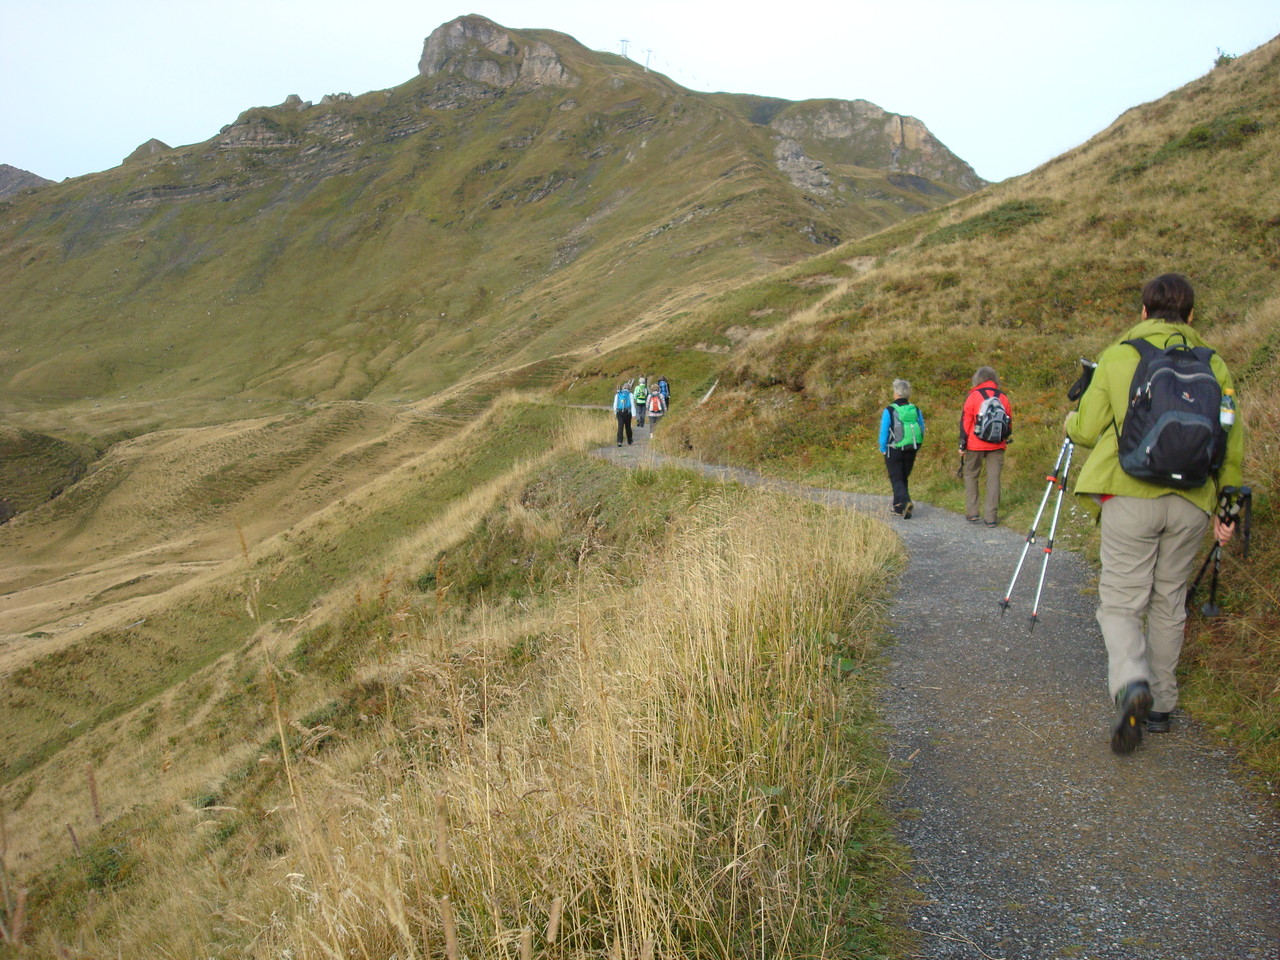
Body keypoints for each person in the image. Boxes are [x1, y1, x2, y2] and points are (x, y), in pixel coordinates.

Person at [1065, 273, 1244, 754]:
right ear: (1191, 317)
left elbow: (1084, 431)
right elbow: (1230, 445)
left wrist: (1071, 411)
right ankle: (1162, 705)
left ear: (1143, 312)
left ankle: (1131, 684)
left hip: (1129, 495)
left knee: (1122, 603)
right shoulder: (1215, 366)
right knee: (1169, 600)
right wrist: (1228, 509)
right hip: (1192, 502)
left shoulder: (1121, 355)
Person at [958, 366, 1012, 526]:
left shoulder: (973, 396)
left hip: (975, 443)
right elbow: (1008, 422)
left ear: (978, 379)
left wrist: (962, 443)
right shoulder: (1003, 397)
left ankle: (973, 512)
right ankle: (991, 517)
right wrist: (1004, 438)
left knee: (971, 474)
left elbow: (966, 422)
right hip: (997, 444)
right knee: (994, 478)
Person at [879, 379, 924, 518]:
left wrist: (882, 448)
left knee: (896, 478)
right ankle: (898, 508)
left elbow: (884, 431)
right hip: (912, 447)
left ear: (896, 393)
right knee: (903, 477)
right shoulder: (915, 409)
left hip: (894, 448)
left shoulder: (890, 410)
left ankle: (905, 502)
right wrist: (918, 446)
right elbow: (921, 428)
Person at [614, 381, 633, 446]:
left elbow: (615, 404)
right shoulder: (630, 394)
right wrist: (633, 414)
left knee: (620, 427)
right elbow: (632, 404)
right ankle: (629, 440)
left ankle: (619, 441)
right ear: (629, 388)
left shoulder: (618, 394)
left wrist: (615, 412)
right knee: (628, 427)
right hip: (627, 412)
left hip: (619, 412)